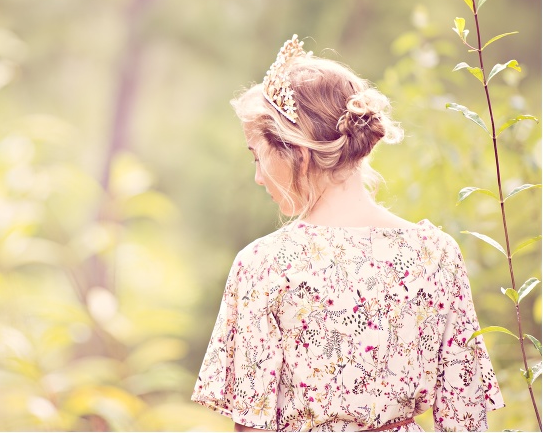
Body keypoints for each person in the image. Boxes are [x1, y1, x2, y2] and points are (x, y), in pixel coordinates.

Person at [191, 35, 504, 431]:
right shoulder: (437, 255)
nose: (257, 177)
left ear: (296, 151)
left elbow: (252, 425)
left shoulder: (264, 265)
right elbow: (465, 418)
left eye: (259, 156)